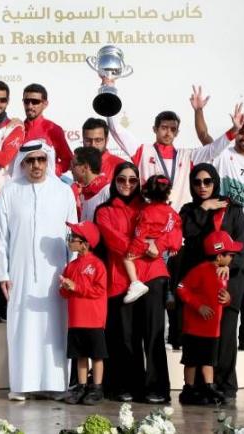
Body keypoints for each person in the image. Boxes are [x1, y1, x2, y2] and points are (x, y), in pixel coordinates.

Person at [0, 140, 77, 401]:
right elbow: (0, 236)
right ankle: (22, 384)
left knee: (55, 326)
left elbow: (73, 235)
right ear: (22, 163)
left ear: (48, 161)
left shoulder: (63, 192)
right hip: (19, 272)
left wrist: (73, 271)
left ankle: (56, 384)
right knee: (22, 325)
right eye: (30, 160)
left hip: (57, 274)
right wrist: (2, 273)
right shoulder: (9, 191)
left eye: (41, 160)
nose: (36, 165)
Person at [194, 101, 244, 352]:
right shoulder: (225, 155)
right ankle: (218, 333)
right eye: (241, 131)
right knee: (221, 286)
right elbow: (204, 137)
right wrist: (198, 110)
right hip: (223, 238)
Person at [173, 164, 244, 399]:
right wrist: (203, 209)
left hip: (228, 283)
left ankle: (224, 387)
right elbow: (183, 233)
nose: (203, 186)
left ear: (216, 182)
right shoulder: (189, 210)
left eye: (208, 182)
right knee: (197, 339)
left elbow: (243, 246)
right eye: (197, 182)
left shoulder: (234, 210)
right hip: (199, 286)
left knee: (225, 336)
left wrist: (228, 264)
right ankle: (197, 388)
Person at [104, 81, 235, 211]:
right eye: (164, 128)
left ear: (177, 132)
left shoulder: (187, 156)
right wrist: (109, 88)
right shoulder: (143, 151)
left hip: (178, 223)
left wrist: (233, 131)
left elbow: (212, 150)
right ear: (155, 129)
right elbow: (116, 129)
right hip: (150, 221)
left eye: (173, 129)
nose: (168, 133)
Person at [128, 175, 182, 403]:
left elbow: (138, 239)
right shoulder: (173, 215)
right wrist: (160, 245)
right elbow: (176, 240)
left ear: (147, 192)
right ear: (167, 192)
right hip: (159, 276)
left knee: (141, 333)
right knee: (154, 334)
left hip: (142, 275)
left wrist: (138, 250)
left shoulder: (145, 213)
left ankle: (150, 388)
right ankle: (157, 388)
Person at [94, 162, 143, 402]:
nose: (126, 184)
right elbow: (114, 241)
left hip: (144, 281)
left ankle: (137, 385)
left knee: (138, 337)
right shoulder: (104, 210)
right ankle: (118, 385)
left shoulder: (145, 208)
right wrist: (140, 246)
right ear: (114, 181)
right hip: (117, 281)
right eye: (122, 179)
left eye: (132, 180)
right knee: (120, 336)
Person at [176, 230, 238, 406]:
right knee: (191, 360)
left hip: (212, 330)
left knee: (208, 360)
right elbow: (181, 287)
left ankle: (208, 387)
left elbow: (221, 296)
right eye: (230, 255)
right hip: (194, 328)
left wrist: (227, 299)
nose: (232, 258)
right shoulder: (200, 271)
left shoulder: (223, 273)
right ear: (219, 256)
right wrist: (198, 305)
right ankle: (188, 389)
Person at [60, 221, 108, 406]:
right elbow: (65, 293)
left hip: (93, 319)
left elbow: (99, 290)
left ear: (85, 243)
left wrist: (76, 286)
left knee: (96, 355)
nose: (70, 241)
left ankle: (96, 387)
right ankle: (80, 386)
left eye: (74, 238)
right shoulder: (71, 266)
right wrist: (65, 287)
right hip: (76, 320)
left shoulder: (97, 265)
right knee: (80, 355)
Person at [121, 175, 182, 304]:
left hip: (148, 247)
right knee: (164, 270)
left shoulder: (146, 211)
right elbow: (177, 232)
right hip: (165, 250)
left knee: (125, 258)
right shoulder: (172, 213)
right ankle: (168, 292)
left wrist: (133, 250)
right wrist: (173, 247)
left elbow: (140, 232)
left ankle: (135, 283)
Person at [20, 83, 73, 175]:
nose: (30, 106)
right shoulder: (17, 129)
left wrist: (51, 172)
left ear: (45, 104)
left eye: (35, 102)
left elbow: (68, 159)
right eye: (26, 101)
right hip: (22, 185)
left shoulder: (53, 129)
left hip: (47, 186)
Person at [70, 146, 112, 222]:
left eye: (73, 164)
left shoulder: (108, 191)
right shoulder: (85, 193)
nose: (70, 168)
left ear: (85, 167)